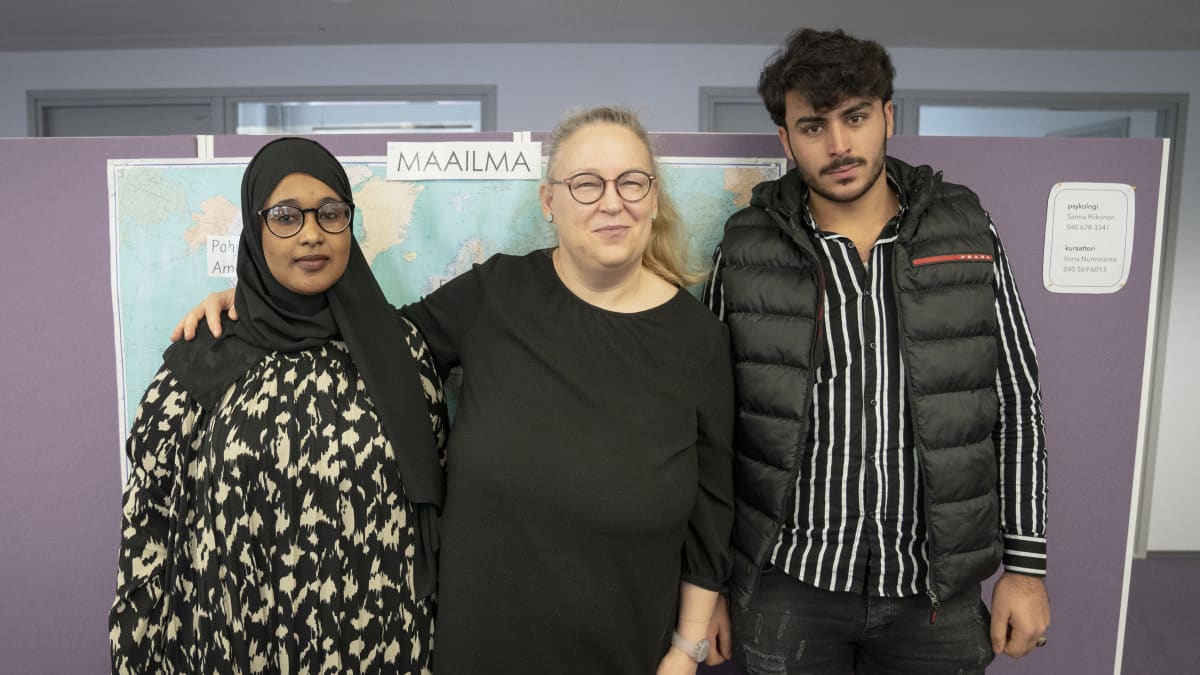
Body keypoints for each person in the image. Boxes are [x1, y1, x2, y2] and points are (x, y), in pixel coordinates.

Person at [174, 106, 736, 675]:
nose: (612, 202)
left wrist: (686, 649)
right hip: (479, 647)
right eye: (586, 184)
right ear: (550, 202)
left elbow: (712, 509)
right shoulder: (496, 294)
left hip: (627, 649)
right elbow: (370, 340)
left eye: (631, 182)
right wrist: (254, 301)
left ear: (654, 196)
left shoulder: (699, 340)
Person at [701, 28, 1051, 673]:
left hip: (933, 592)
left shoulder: (965, 227)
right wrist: (707, 590)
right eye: (812, 126)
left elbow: (1014, 401)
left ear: (887, 117)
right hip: (787, 583)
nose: (838, 145)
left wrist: (1025, 570)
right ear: (785, 140)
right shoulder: (746, 247)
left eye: (855, 118)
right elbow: (710, 427)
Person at [110, 137, 447, 674]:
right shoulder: (203, 358)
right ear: (254, 226)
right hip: (238, 643)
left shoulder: (400, 350)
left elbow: (443, 504)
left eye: (330, 213)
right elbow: (147, 528)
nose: (312, 233)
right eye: (286, 216)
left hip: (383, 643)